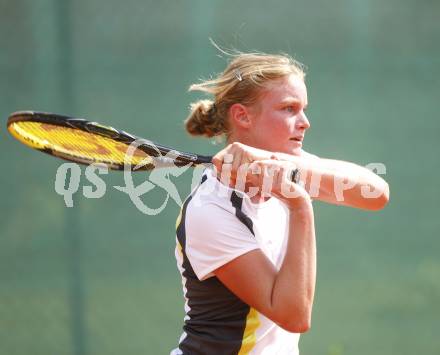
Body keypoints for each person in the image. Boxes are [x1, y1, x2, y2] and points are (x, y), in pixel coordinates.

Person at [171, 53, 389, 355]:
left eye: (304, 109)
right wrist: (299, 206)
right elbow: (293, 315)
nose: (305, 123)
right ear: (243, 116)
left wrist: (279, 164)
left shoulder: (287, 164)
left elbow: (375, 193)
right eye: (289, 109)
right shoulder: (210, 210)